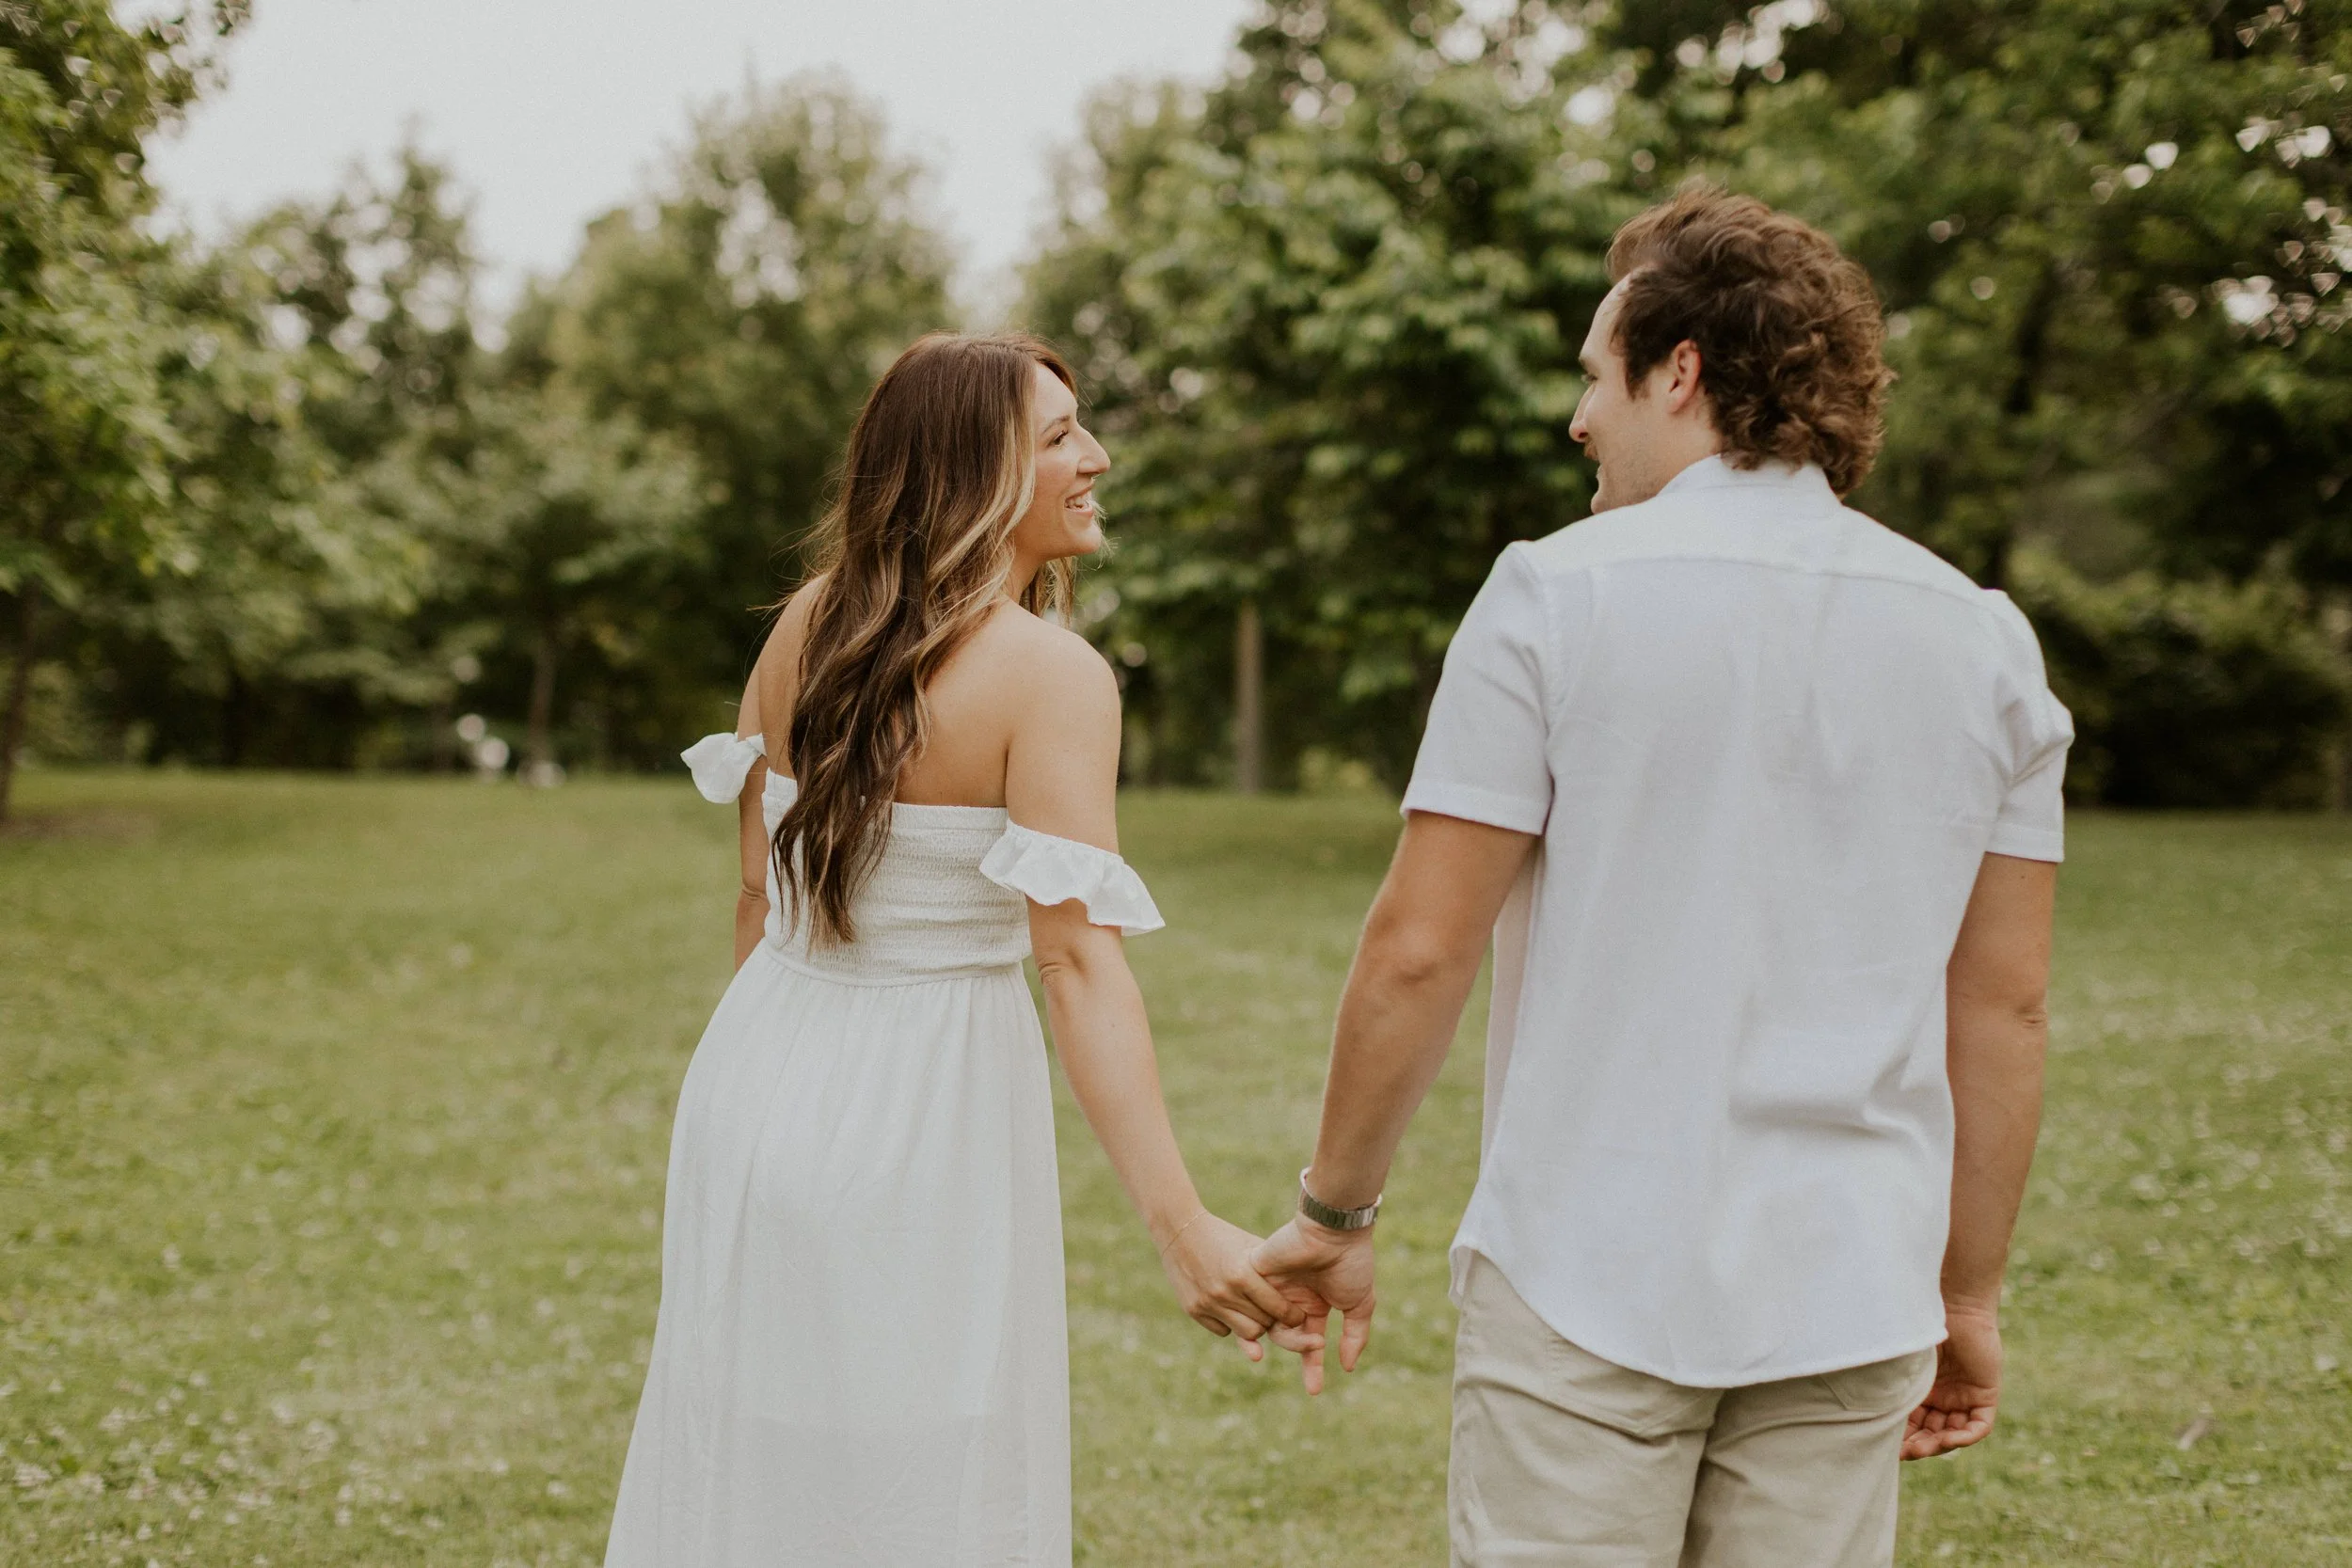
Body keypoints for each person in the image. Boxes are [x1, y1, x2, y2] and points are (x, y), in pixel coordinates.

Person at [1253, 185, 2073, 1566]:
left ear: (1678, 370)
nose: (1579, 417)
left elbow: (1417, 947)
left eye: (1593, 375)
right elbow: (2003, 1008)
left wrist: (1336, 1212)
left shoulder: (1551, 595)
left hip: (1587, 1267)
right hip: (1851, 1281)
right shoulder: (1985, 640)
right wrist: (1966, 1294)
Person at [604, 332, 1307, 1568]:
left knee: (760, 1457)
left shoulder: (801, 629)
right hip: (920, 1109)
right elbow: (1078, 964)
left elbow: (753, 902)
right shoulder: (1052, 677)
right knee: (917, 1478)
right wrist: (1182, 1222)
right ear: (971, 472)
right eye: (1058, 437)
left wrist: (778, 1090)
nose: (1095, 457)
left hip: (756, 1078)